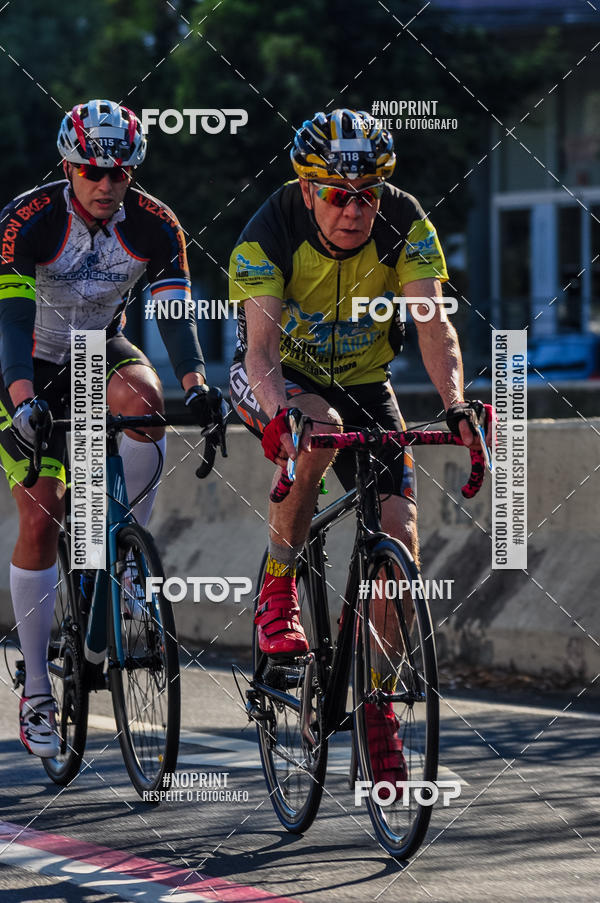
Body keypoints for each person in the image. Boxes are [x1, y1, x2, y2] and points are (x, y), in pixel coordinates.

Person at [229, 108, 491, 790]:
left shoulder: (405, 221)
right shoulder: (270, 231)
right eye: (341, 195)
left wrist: (456, 405)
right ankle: (279, 587)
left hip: (367, 379)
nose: (356, 209)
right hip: (282, 377)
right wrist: (283, 416)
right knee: (315, 434)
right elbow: (257, 353)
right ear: (309, 189)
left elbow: (435, 330)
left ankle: (378, 707)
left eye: (369, 194)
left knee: (399, 539)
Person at [0, 99, 216, 757]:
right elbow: (7, 322)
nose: (104, 183)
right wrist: (19, 402)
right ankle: (37, 687)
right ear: (67, 165)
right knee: (42, 513)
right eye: (91, 170)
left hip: (100, 354)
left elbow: (175, 317)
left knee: (146, 405)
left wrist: (198, 386)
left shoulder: (155, 225)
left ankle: (124, 558)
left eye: (118, 173)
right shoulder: (27, 220)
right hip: (27, 360)